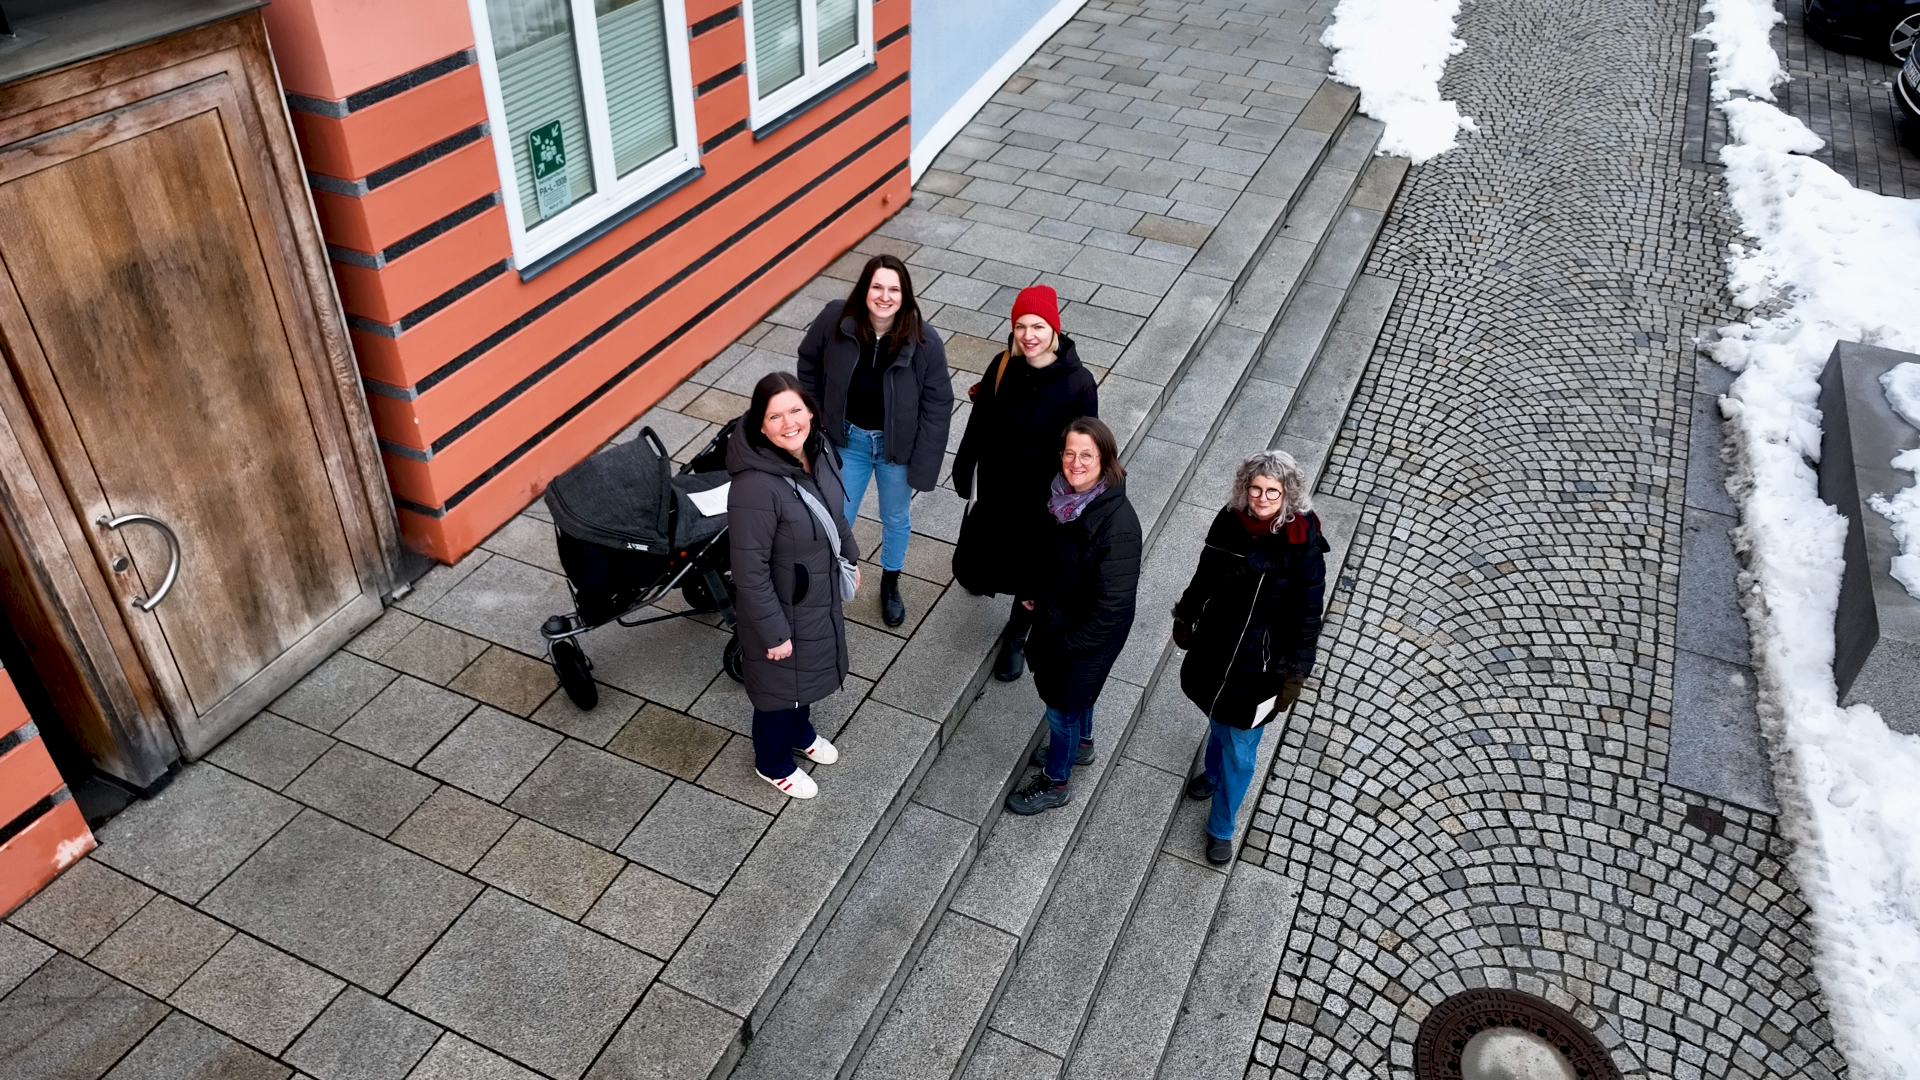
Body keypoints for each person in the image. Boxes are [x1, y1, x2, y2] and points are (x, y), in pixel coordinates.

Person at [1170, 450, 1328, 862]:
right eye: (1255, 488)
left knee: (1242, 746)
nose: (1260, 498)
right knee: (1218, 715)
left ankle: (1221, 827)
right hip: (1217, 646)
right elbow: (1206, 571)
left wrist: (1294, 671)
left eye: (1271, 492)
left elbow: (1308, 616)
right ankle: (1212, 771)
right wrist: (1187, 611)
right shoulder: (1229, 520)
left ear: (1287, 495)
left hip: (1260, 664)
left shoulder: (1303, 545)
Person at [952, 284, 1098, 682]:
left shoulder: (1079, 382)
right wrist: (964, 469)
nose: (1028, 335)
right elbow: (978, 422)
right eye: (1020, 326)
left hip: (1041, 497)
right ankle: (986, 579)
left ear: (1054, 329)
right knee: (980, 555)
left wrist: (1078, 500)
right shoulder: (1002, 365)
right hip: (998, 486)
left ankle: (1017, 635)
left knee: (1032, 570)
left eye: (1037, 326)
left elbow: (1085, 447)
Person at [798, 254, 953, 627]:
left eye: (894, 289)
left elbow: (938, 403)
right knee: (836, 517)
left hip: (895, 450)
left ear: (906, 295)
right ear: (865, 289)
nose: (885, 296)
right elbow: (808, 363)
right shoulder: (835, 321)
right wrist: (815, 417)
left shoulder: (924, 341)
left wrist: (924, 463)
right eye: (877, 287)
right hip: (846, 441)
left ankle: (890, 581)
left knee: (896, 518)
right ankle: (835, 580)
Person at [727, 371, 860, 800]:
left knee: (807, 674)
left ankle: (800, 734)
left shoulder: (817, 452)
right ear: (759, 426)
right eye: (775, 416)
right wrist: (774, 632)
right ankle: (773, 762)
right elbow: (749, 571)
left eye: (795, 411)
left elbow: (835, 514)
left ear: (811, 412)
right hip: (780, 611)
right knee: (777, 692)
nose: (789, 424)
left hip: (813, 595)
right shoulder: (754, 486)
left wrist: (850, 557)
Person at [1005, 418, 1142, 815]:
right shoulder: (1066, 498)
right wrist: (1036, 591)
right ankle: (1082, 745)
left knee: (1061, 708)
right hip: (1062, 619)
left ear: (1105, 460)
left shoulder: (1117, 526)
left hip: (1082, 636)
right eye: (1069, 452)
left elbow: (1111, 606)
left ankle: (1056, 781)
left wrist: (1065, 643)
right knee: (1078, 697)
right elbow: (1054, 555)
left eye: (1087, 455)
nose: (1075, 463)